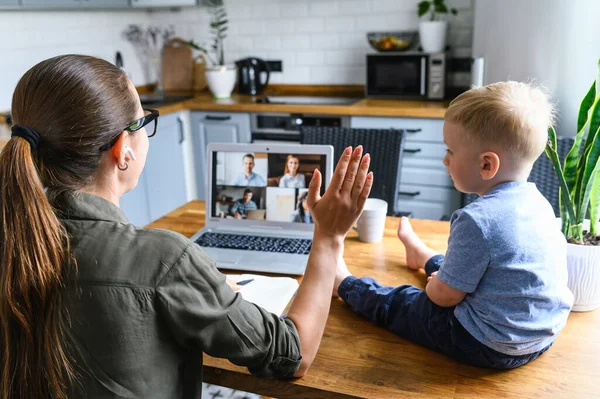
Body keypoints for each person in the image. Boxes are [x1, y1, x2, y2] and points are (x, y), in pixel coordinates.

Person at [0, 54, 373, 399]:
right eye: (144, 122)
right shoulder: (162, 260)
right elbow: (292, 354)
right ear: (122, 150)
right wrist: (328, 236)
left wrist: (198, 286)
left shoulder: (13, 240)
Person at [332, 82, 574, 369]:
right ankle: (422, 257)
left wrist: (437, 291)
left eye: (451, 150)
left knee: (402, 302)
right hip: (540, 336)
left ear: (487, 165)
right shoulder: (539, 204)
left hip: (487, 345)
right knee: (463, 271)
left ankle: (343, 284)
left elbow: (444, 298)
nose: (444, 159)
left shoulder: (477, 220)